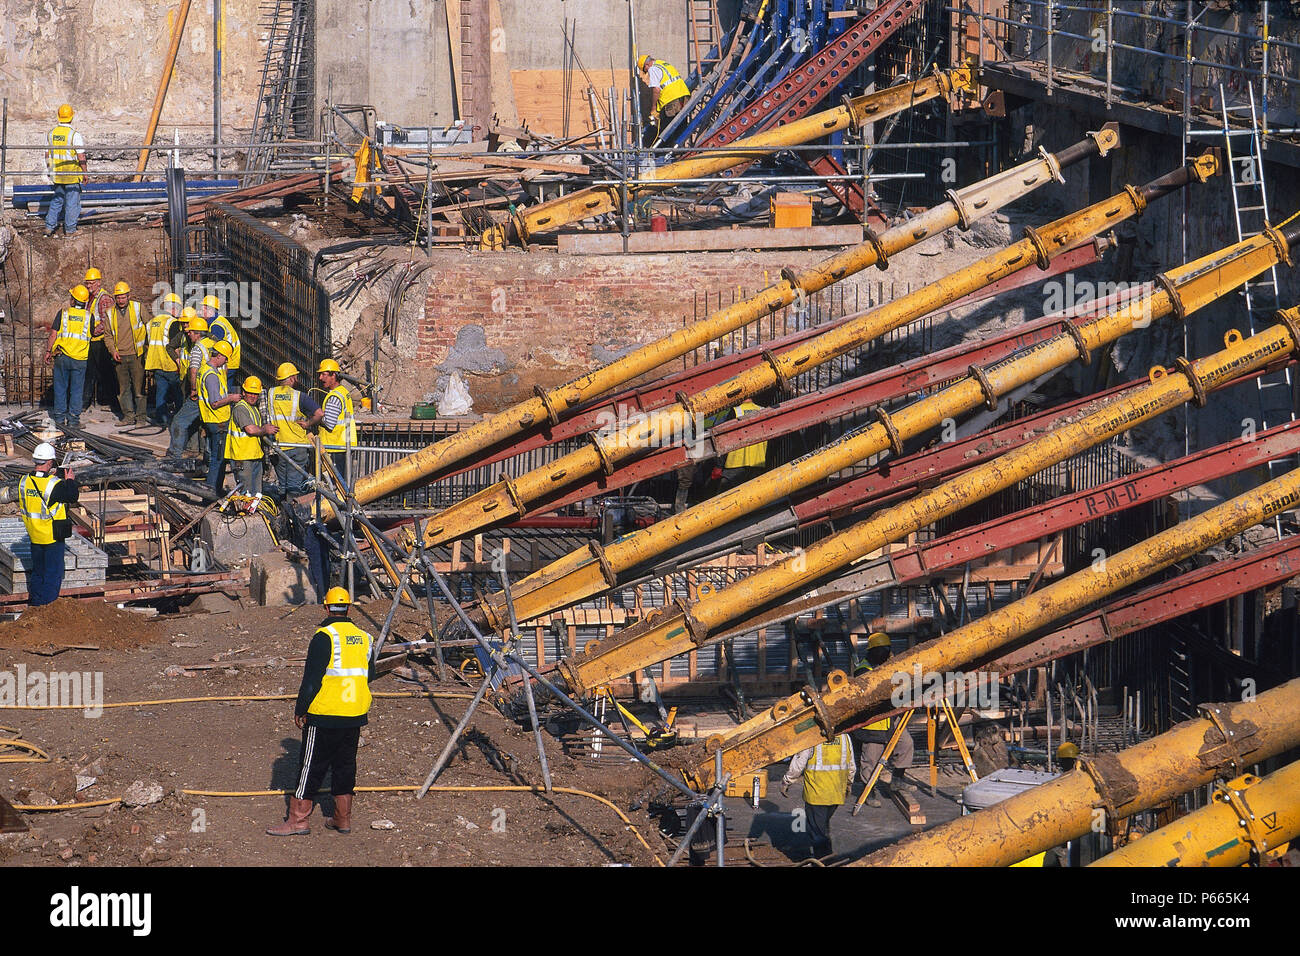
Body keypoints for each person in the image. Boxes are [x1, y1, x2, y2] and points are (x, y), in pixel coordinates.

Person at [267, 587, 375, 837]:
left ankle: (298, 819)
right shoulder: (365, 637)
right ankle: (342, 818)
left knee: (311, 766)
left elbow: (312, 679)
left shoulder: (324, 636)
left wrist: (300, 708)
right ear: (349, 607)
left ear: (326, 607)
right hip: (355, 712)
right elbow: (370, 675)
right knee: (345, 765)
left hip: (326, 714)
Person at [850, 631, 916, 808]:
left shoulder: (885, 666)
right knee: (871, 759)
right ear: (873, 651)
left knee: (906, 744)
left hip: (890, 719)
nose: (886, 653)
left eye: (887, 650)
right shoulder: (863, 670)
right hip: (873, 723)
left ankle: (898, 779)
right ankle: (868, 791)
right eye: (882, 650)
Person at [19, 443, 81, 606]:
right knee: (53, 574)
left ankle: (35, 604)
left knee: (38, 573)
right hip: (52, 536)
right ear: (49, 463)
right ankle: (47, 608)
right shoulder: (54, 484)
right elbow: (72, 496)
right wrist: (70, 481)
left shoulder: (24, 482)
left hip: (34, 535)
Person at [780, 732, 855, 860]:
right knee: (823, 826)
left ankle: (824, 860)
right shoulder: (845, 737)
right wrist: (849, 783)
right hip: (836, 793)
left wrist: (786, 781)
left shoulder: (811, 737)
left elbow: (799, 764)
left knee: (817, 832)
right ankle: (827, 856)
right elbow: (851, 765)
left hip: (816, 794)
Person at [266, 362, 323, 499]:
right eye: (295, 377)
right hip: (297, 447)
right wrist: (308, 423)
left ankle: (282, 514)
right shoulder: (299, 397)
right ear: (291, 378)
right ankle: (293, 515)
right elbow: (319, 413)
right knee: (294, 486)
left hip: (279, 447)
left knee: (283, 486)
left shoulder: (271, 393)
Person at [43, 285, 93, 429]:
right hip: (80, 359)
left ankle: (59, 419)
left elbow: (54, 334)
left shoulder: (63, 313)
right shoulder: (89, 316)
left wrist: (48, 351)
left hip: (62, 357)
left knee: (60, 388)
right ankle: (73, 421)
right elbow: (92, 334)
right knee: (77, 390)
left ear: (74, 300)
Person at [167, 312, 212, 459]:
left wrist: (193, 389)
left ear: (197, 333)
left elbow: (193, 370)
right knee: (209, 427)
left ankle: (174, 457)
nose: (187, 332)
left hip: (199, 392)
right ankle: (207, 457)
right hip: (214, 394)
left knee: (178, 422)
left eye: (190, 331)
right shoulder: (214, 345)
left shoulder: (198, 348)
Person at [226, 376, 278, 500]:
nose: (253, 396)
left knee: (256, 493)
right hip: (242, 458)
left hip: (254, 455)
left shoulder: (253, 408)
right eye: (250, 393)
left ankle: (254, 512)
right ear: (243, 392)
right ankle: (245, 515)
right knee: (246, 492)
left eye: (256, 394)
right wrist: (265, 429)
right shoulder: (241, 408)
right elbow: (250, 429)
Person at [198, 339, 240, 492]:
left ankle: (213, 488)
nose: (226, 362)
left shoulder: (206, 370)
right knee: (218, 458)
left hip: (211, 420)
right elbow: (215, 402)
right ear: (220, 355)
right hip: (217, 421)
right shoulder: (211, 376)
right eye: (226, 358)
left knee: (215, 456)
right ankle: (211, 491)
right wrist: (232, 398)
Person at [108, 281, 147, 426]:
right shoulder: (110, 313)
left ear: (128, 296)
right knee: (123, 389)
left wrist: (146, 349)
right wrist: (113, 351)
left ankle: (141, 418)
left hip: (137, 355)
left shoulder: (138, 308)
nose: (121, 300)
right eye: (118, 297)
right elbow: (108, 335)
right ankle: (128, 416)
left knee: (139, 389)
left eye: (123, 297)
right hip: (120, 356)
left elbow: (148, 326)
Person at [44, 104, 85, 238]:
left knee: (57, 200)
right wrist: (85, 173)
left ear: (59, 117)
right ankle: (71, 230)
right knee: (72, 203)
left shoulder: (52, 134)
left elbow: (47, 154)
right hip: (72, 174)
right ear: (71, 117)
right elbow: (81, 156)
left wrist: (50, 171)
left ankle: (49, 227)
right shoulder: (74, 135)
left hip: (58, 175)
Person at [144, 293, 185, 426]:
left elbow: (147, 342)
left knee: (161, 392)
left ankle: (161, 418)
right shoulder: (172, 323)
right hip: (170, 364)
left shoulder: (153, 321)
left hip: (156, 363)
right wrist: (180, 362)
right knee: (177, 393)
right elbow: (175, 346)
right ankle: (178, 419)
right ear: (174, 308)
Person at [316, 359, 356, 482]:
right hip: (344, 446)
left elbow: (329, 423)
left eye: (324, 374)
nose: (320, 378)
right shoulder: (343, 392)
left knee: (334, 485)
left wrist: (316, 416)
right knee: (342, 484)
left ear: (334, 375)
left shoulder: (334, 397)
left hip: (334, 448)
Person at [82, 267, 113, 413]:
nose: (89, 286)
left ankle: (107, 401)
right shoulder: (91, 298)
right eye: (87, 284)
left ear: (99, 282)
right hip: (92, 341)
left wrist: (93, 331)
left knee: (104, 373)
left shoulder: (104, 298)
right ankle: (85, 402)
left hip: (101, 341)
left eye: (91, 283)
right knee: (89, 372)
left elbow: (107, 321)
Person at [637, 54, 689, 134]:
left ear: (646, 65)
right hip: (684, 95)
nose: (647, 72)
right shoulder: (663, 63)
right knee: (681, 126)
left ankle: (670, 146)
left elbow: (656, 90)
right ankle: (680, 145)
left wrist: (654, 107)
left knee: (669, 129)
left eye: (645, 70)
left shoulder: (653, 69)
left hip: (671, 99)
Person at [200, 293, 241, 374]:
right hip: (228, 361)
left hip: (227, 363)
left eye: (203, 309)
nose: (200, 312)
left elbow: (215, 347)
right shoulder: (218, 320)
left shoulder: (216, 326)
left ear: (210, 310)